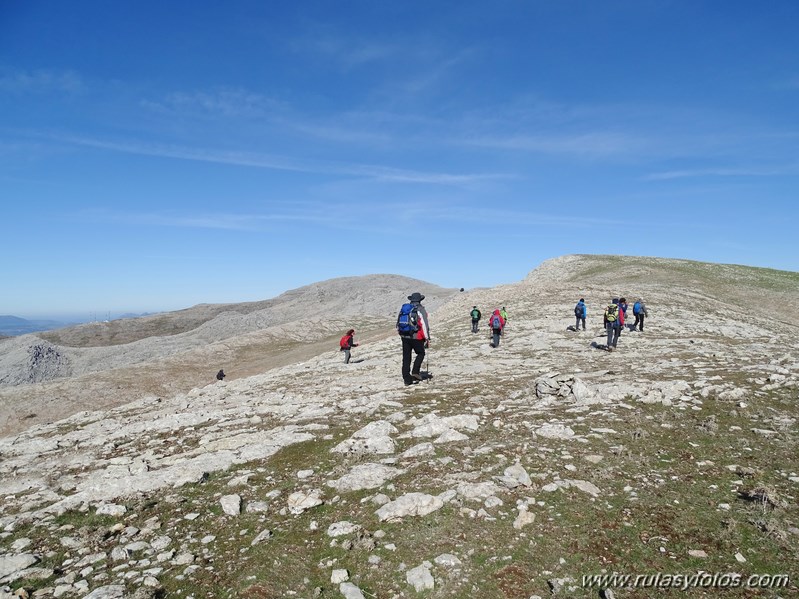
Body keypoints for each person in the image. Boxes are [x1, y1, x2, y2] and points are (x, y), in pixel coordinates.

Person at [397, 292, 430, 385]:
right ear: (420, 300)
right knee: (421, 353)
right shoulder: (420, 309)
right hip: (417, 337)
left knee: (406, 357)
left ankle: (407, 380)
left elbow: (398, 323)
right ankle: (415, 372)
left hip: (405, 336)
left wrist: (401, 334)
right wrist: (427, 338)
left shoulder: (404, 309)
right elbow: (424, 325)